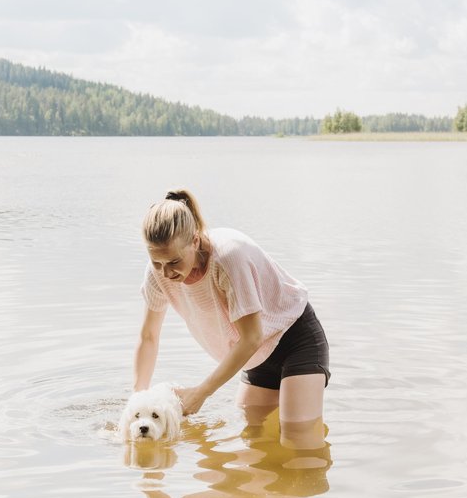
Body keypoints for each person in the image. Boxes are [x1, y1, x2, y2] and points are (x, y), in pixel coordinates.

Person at [133, 189, 330, 449]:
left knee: (296, 439)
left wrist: (200, 393)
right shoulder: (157, 272)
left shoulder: (228, 257)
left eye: (173, 262)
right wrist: (137, 400)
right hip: (254, 357)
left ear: (194, 240)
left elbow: (252, 337)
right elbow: (149, 336)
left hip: (295, 341)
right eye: (156, 262)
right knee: (253, 439)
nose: (165, 272)